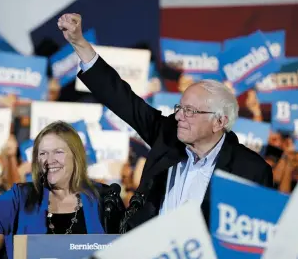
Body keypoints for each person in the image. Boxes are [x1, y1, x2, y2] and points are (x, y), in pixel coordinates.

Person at [57, 13, 273, 232]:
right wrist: (80, 44)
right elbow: (122, 99)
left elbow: (252, 238)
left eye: (190, 111)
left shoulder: (250, 170)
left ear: (219, 121)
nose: (179, 116)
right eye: (180, 108)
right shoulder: (167, 136)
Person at [0, 121, 124, 259]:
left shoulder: (102, 199)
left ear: (76, 156)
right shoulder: (21, 199)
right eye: (42, 153)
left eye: (58, 152)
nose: (49, 160)